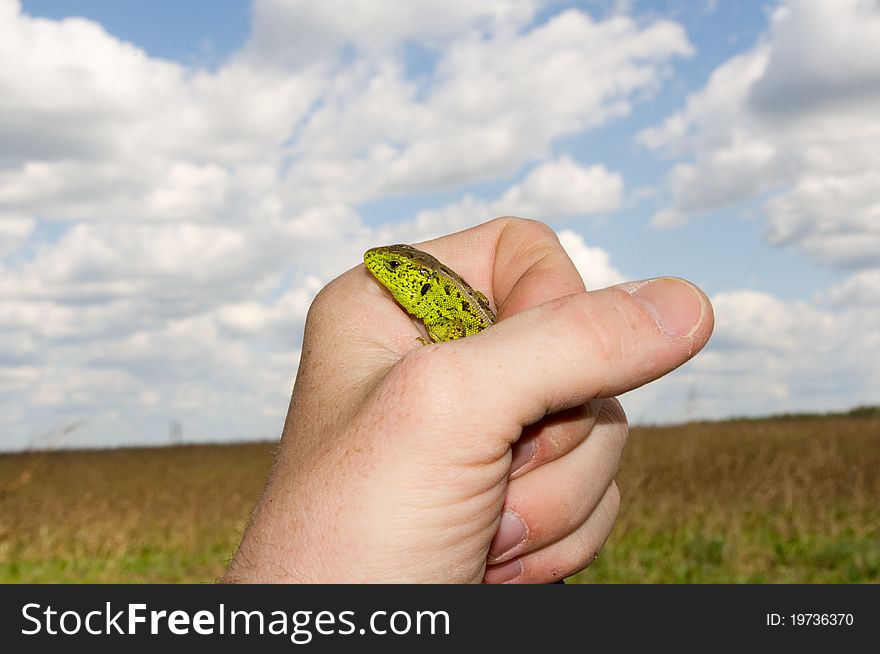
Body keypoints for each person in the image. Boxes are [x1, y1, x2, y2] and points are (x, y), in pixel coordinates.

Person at [223, 217, 714, 583]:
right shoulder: (434, 310)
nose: (379, 269)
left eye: (395, 267)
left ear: (422, 282)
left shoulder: (451, 312)